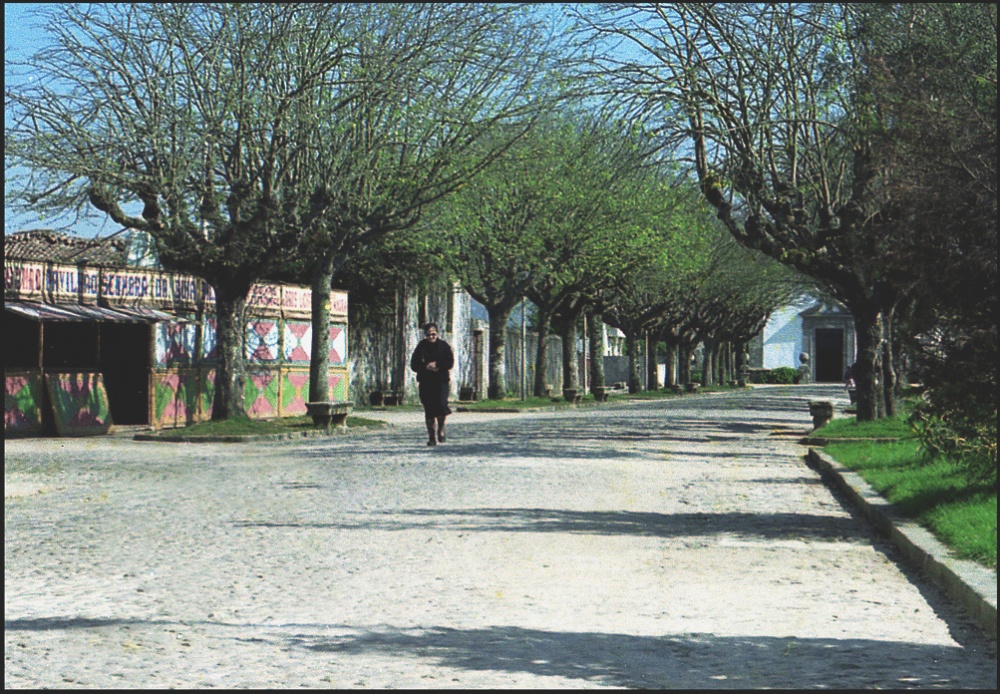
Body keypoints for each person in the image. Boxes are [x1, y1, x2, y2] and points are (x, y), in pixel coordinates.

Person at [410, 322, 454, 446]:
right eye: (429, 335)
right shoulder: (421, 347)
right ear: (425, 335)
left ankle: (441, 429)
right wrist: (426, 367)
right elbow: (414, 365)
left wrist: (438, 365)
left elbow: (450, 363)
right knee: (429, 409)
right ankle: (431, 437)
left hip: (441, 382)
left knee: (441, 406)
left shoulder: (444, 346)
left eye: (433, 334)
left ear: (437, 334)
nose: (431, 337)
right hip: (426, 382)